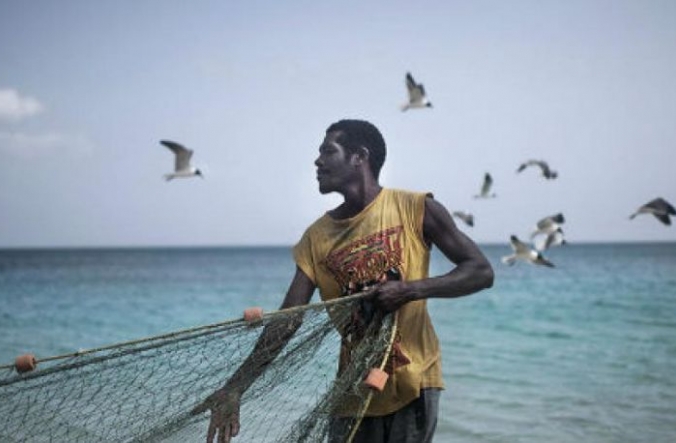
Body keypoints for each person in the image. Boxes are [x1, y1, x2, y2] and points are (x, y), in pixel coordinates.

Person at [195, 119, 494, 443]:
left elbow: (480, 271)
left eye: (327, 151)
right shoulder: (316, 238)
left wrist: (409, 290)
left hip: (413, 384)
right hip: (351, 397)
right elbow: (286, 321)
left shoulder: (415, 208)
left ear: (359, 157)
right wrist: (235, 388)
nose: (317, 161)